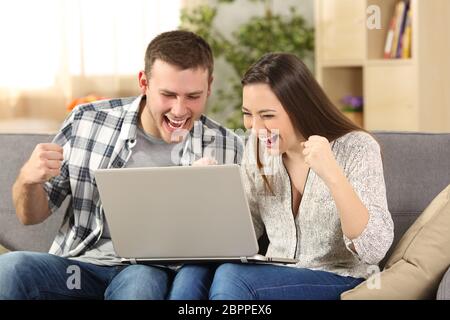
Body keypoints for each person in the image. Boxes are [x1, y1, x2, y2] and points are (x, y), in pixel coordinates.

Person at [0, 30, 242, 300]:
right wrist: (27, 180)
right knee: (10, 267)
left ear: (209, 85)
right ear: (144, 82)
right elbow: (29, 216)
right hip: (78, 267)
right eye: (168, 94)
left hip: (147, 270)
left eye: (193, 96)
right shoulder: (87, 121)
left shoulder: (227, 147)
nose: (179, 110)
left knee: (139, 286)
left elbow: (239, 240)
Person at [208, 53, 394, 300]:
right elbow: (245, 231)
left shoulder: (358, 148)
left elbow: (374, 249)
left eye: (267, 115)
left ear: (299, 109)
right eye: (248, 114)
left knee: (233, 277)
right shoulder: (257, 149)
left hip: (341, 279)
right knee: (195, 273)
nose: (255, 127)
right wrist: (209, 192)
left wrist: (332, 174)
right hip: (276, 279)